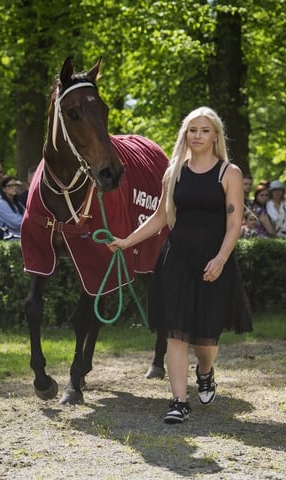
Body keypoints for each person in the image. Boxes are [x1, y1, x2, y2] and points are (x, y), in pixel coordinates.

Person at [107, 107, 252, 424]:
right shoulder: (174, 172)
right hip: (176, 258)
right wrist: (126, 241)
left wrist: (221, 259)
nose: (197, 136)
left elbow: (234, 224)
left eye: (204, 130)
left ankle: (205, 372)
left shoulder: (229, 173)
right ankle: (179, 402)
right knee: (176, 332)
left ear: (215, 136)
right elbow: (160, 217)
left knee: (206, 338)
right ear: (185, 134)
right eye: (192, 130)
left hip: (214, 258)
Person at [0, 175, 25, 240]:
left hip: (20, 237)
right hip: (8, 239)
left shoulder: (18, 203)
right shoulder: (0, 204)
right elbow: (16, 223)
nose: (14, 187)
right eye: (10, 186)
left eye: (16, 185)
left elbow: (27, 215)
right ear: (4, 189)